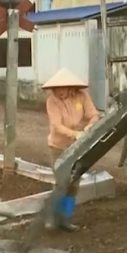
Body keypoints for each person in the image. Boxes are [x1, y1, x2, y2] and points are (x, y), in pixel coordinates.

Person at [43, 68, 100, 232]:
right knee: (62, 182)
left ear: (70, 87)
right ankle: (52, 217)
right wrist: (75, 135)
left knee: (74, 184)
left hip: (78, 147)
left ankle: (66, 219)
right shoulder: (52, 101)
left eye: (63, 88)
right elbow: (56, 125)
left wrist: (89, 127)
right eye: (57, 89)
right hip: (58, 146)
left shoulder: (82, 96)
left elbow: (94, 115)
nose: (60, 92)